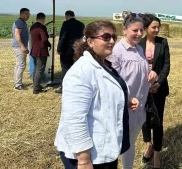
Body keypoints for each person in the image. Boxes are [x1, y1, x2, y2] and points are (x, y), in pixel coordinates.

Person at [54, 21, 139, 169]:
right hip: (89, 156)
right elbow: (74, 119)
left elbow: (102, 98)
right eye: (106, 37)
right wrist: (84, 160)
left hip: (103, 151)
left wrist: (123, 102)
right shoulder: (81, 72)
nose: (112, 41)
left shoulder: (104, 65)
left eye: (114, 36)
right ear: (90, 41)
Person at [107, 13, 157, 169]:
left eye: (141, 30)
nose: (139, 34)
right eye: (135, 30)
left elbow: (139, 75)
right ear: (124, 30)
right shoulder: (117, 52)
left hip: (139, 108)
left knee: (130, 144)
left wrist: (151, 76)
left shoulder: (139, 49)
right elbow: (111, 82)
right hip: (123, 109)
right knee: (117, 145)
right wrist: (125, 99)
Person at [139, 14, 170, 169]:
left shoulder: (163, 42)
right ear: (146, 28)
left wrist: (158, 82)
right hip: (142, 88)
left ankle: (157, 154)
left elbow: (166, 66)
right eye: (154, 27)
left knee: (158, 121)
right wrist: (143, 84)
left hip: (159, 88)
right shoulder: (139, 43)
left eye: (158, 27)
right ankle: (148, 145)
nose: (157, 30)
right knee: (144, 119)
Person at [56, 10, 85, 94]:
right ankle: (77, 86)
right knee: (77, 69)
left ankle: (64, 87)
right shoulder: (81, 24)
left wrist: (59, 49)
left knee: (65, 68)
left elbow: (63, 37)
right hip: (78, 50)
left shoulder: (66, 24)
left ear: (67, 16)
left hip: (66, 50)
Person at [30, 12, 51, 94]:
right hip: (41, 51)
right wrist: (48, 38)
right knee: (40, 69)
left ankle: (36, 84)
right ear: (43, 18)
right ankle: (36, 88)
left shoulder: (33, 26)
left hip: (34, 50)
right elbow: (44, 39)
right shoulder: (42, 27)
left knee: (36, 68)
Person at [12, 8, 30, 91]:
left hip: (19, 46)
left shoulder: (22, 22)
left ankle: (16, 82)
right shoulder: (19, 22)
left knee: (18, 65)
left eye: (28, 14)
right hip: (19, 46)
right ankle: (18, 85)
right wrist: (22, 46)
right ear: (21, 14)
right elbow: (17, 34)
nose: (28, 15)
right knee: (21, 65)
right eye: (26, 14)